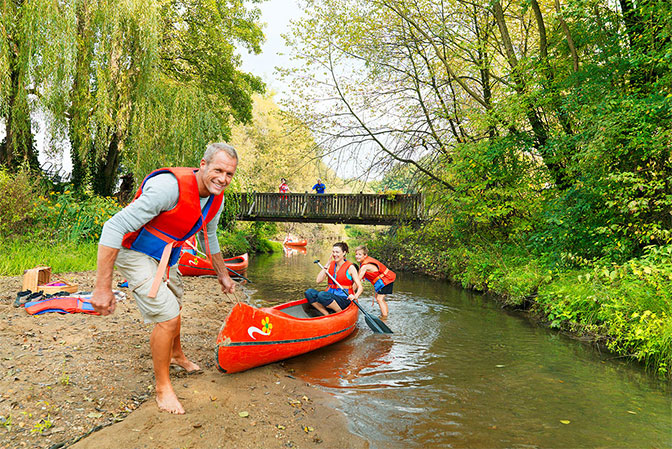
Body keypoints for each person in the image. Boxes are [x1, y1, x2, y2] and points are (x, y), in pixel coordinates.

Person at [91, 142, 238, 415]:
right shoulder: (168, 187)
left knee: (176, 303)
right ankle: (162, 389)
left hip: (166, 253)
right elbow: (113, 227)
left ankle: (176, 354)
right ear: (203, 164)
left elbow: (211, 238)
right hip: (132, 251)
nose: (223, 179)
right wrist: (103, 287)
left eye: (230, 174)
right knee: (167, 317)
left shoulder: (218, 197)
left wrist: (223, 275)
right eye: (218, 170)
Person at [305, 242, 363, 316]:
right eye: (333, 252)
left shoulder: (350, 267)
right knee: (309, 292)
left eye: (337, 252)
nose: (335, 254)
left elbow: (360, 287)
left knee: (322, 295)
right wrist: (327, 263)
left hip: (344, 299)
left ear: (344, 253)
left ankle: (339, 313)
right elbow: (318, 280)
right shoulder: (330, 265)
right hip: (330, 297)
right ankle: (326, 314)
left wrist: (355, 296)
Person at [354, 245, 396, 318]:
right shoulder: (364, 263)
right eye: (356, 254)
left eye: (360, 254)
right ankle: (386, 314)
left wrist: (350, 290)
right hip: (386, 279)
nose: (357, 256)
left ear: (365, 255)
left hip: (386, 280)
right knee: (380, 299)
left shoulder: (365, 266)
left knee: (379, 299)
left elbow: (358, 280)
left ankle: (384, 318)